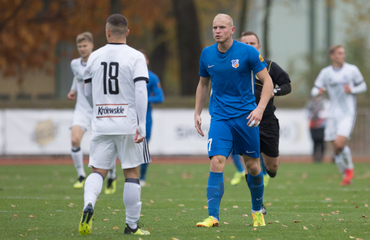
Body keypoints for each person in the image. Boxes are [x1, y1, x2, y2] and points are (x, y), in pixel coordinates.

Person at [194, 14, 274, 228]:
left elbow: (267, 82)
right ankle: (213, 216)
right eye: (214, 27)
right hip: (220, 117)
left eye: (221, 27)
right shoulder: (207, 54)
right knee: (216, 161)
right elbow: (203, 84)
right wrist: (197, 112)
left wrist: (260, 109)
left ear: (232, 30)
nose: (217, 31)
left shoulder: (247, 52)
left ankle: (257, 210)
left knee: (253, 167)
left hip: (246, 118)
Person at [78, 14, 150, 236]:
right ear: (127, 32)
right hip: (128, 125)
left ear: (107, 32)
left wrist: (99, 109)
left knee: (98, 170)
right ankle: (132, 225)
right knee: (131, 173)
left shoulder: (94, 57)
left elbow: (87, 92)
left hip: (101, 123)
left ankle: (89, 204)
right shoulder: (136, 57)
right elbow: (140, 90)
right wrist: (142, 123)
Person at [230, 32, 292, 188]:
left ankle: (267, 166)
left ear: (258, 47)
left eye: (252, 44)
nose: (249, 47)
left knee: (273, 168)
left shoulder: (269, 66)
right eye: (245, 44)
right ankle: (257, 204)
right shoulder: (233, 68)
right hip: (245, 121)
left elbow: (287, 85)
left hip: (267, 121)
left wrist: (274, 91)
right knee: (251, 165)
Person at [67, 32, 117, 194]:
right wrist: (72, 90)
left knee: (106, 144)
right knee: (75, 140)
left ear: (91, 46)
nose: (82, 49)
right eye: (79, 46)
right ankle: (81, 175)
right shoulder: (74, 64)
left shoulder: (99, 61)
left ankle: (112, 175)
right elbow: (77, 77)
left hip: (98, 108)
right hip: (81, 109)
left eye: (85, 46)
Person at [311, 45, 367, 186]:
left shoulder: (352, 70)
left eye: (344, 53)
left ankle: (350, 170)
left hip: (348, 113)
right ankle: (346, 175)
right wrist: (318, 93)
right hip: (332, 114)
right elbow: (315, 89)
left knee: (339, 143)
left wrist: (352, 89)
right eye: (340, 53)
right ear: (333, 56)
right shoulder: (326, 73)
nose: (343, 55)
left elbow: (363, 86)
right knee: (336, 148)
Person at [138, 50, 165, 187]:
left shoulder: (152, 78)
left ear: (147, 61)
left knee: (144, 147)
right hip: (129, 115)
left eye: (144, 59)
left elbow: (160, 97)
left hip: (146, 116)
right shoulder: (127, 75)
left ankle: (142, 177)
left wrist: (144, 99)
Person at [307, 95, 328, 163]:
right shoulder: (310, 104)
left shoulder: (324, 103)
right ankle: (315, 158)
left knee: (321, 142)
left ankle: (321, 158)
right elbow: (307, 114)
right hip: (313, 126)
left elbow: (325, 114)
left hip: (321, 126)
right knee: (314, 142)